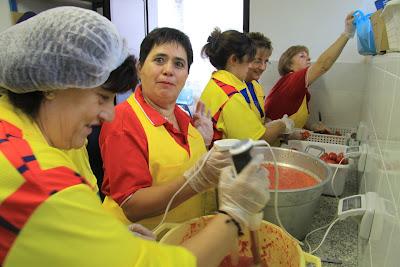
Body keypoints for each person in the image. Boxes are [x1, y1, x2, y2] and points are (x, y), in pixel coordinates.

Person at [0, 7, 269, 267]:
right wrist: (235, 214)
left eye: (179, 64)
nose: (107, 114)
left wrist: (205, 142)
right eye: (102, 97)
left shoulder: (33, 130)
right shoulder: (44, 184)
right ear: (53, 82)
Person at [100, 27, 229, 229]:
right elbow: (133, 205)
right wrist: (196, 181)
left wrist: (204, 142)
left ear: (186, 75)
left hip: (184, 234)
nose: (169, 70)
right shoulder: (124, 121)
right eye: (159, 60)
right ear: (140, 67)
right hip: (143, 246)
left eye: (179, 64)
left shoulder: (184, 117)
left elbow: (183, 164)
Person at [199, 28, 294, 145]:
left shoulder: (217, 83)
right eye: (250, 60)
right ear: (233, 59)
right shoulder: (231, 96)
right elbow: (257, 141)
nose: (250, 66)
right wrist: (282, 124)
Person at [264, 13, 356, 132]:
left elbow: (291, 117)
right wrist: (347, 33)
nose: (308, 59)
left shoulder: (301, 89)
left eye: (308, 56)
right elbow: (323, 65)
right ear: (289, 64)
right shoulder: (291, 80)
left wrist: (312, 127)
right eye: (302, 56)